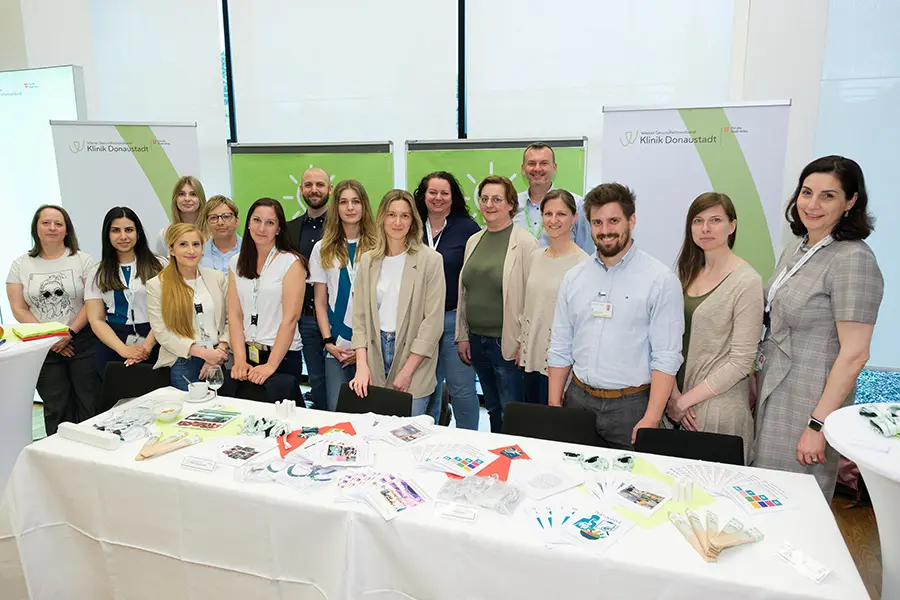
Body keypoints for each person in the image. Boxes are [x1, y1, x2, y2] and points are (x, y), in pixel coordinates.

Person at [754, 156, 883, 500]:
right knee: (762, 498)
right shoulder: (796, 249)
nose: (812, 204)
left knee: (793, 504)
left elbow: (855, 354)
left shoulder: (853, 259)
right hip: (774, 392)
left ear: (850, 202)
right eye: (807, 192)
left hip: (809, 403)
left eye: (828, 196)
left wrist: (818, 425)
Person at [548, 183, 683, 450]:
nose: (605, 230)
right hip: (578, 401)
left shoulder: (660, 280)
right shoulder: (574, 277)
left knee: (633, 477)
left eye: (614, 221)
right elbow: (560, 345)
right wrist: (554, 404)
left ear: (631, 221)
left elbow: (666, 357)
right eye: (597, 222)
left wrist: (652, 417)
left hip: (632, 408)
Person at [664, 193, 763, 462]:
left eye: (715, 220)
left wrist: (684, 402)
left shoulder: (747, 282)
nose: (706, 228)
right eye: (698, 221)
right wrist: (672, 394)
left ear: (732, 226)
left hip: (715, 412)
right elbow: (666, 341)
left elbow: (741, 362)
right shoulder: (686, 274)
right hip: (674, 406)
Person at [349, 190, 445, 417]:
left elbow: (432, 323)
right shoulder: (368, 260)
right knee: (375, 430)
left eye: (405, 216)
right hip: (375, 355)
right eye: (391, 215)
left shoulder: (431, 260)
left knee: (407, 432)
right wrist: (361, 365)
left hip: (414, 356)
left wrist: (408, 371)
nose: (397, 222)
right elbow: (359, 318)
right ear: (382, 218)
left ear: (413, 221)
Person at [5, 205, 101, 434]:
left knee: (90, 403)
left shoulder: (83, 260)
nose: (52, 228)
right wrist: (50, 338)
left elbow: (91, 302)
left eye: (58, 224)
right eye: (46, 223)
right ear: (36, 228)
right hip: (43, 347)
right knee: (56, 407)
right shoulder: (20, 264)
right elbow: (18, 307)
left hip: (82, 341)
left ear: (67, 230)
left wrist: (69, 333)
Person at [456, 176, 538, 432]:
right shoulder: (474, 240)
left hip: (507, 343)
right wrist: (463, 335)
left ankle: (513, 455)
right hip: (477, 339)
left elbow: (532, 298)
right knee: (491, 407)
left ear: (511, 204)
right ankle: (494, 452)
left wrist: (523, 343)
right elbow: (465, 292)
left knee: (509, 411)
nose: (489, 204)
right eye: (484, 199)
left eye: (497, 199)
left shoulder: (525, 243)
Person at [414, 171, 481, 429]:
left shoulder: (467, 229)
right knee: (424, 387)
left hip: (453, 320)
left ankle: (468, 440)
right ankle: (426, 436)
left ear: (453, 197)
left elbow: (473, 279)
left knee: (461, 389)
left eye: (444, 193)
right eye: (432, 192)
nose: (438, 198)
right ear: (423, 196)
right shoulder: (411, 226)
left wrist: (466, 328)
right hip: (419, 321)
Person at [308, 180, 377, 411]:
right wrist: (328, 342)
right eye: (344, 202)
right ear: (335, 207)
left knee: (373, 412)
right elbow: (320, 302)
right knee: (337, 412)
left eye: (356, 201)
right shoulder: (322, 248)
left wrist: (365, 348)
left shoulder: (379, 246)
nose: (350, 207)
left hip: (372, 345)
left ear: (364, 205)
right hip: (338, 345)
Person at [229, 198, 307, 402]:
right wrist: (240, 360)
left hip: (281, 357)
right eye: (257, 220)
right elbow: (235, 315)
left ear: (279, 229)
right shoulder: (236, 262)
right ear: (248, 223)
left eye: (270, 222)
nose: (261, 228)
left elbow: (290, 319)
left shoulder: (291, 262)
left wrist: (271, 365)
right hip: (248, 356)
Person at [519, 189, 588, 405]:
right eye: (548, 214)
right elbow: (527, 306)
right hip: (531, 359)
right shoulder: (535, 257)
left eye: (561, 214)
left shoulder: (583, 264)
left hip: (561, 364)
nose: (554, 220)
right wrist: (521, 345)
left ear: (574, 218)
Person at [146, 224, 230, 391]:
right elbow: (161, 331)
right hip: (183, 361)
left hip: (219, 358)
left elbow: (232, 319)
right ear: (171, 249)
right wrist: (203, 353)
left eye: (196, 244)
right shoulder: (157, 285)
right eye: (183, 244)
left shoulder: (217, 278)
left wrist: (219, 351)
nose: (191, 251)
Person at [85, 207, 167, 379]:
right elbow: (96, 319)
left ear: (138, 233)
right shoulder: (97, 272)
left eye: (129, 230)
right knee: (117, 394)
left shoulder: (160, 265)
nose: (123, 236)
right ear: (107, 234)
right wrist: (122, 349)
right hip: (113, 343)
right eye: (116, 230)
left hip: (155, 338)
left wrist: (146, 347)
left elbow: (168, 312)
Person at [288, 167, 331, 410]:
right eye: (308, 185)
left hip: (337, 317)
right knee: (317, 380)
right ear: (301, 190)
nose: (314, 190)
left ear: (329, 189)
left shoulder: (342, 226)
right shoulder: (290, 229)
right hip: (305, 319)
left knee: (343, 380)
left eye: (320, 185)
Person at [513, 142, 593, 253]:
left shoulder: (576, 204)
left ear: (554, 168)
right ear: (523, 169)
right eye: (531, 163)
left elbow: (587, 252)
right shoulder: (512, 204)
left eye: (544, 163)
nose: (537, 168)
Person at [155, 176, 207, 255]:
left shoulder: (213, 232)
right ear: (175, 199)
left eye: (193, 194)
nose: (187, 199)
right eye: (181, 194)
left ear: (201, 199)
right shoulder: (165, 235)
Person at [199, 195, 242, 273]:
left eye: (226, 217)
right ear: (206, 223)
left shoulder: (254, 251)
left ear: (237, 221)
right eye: (213, 218)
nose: (220, 222)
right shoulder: (198, 254)